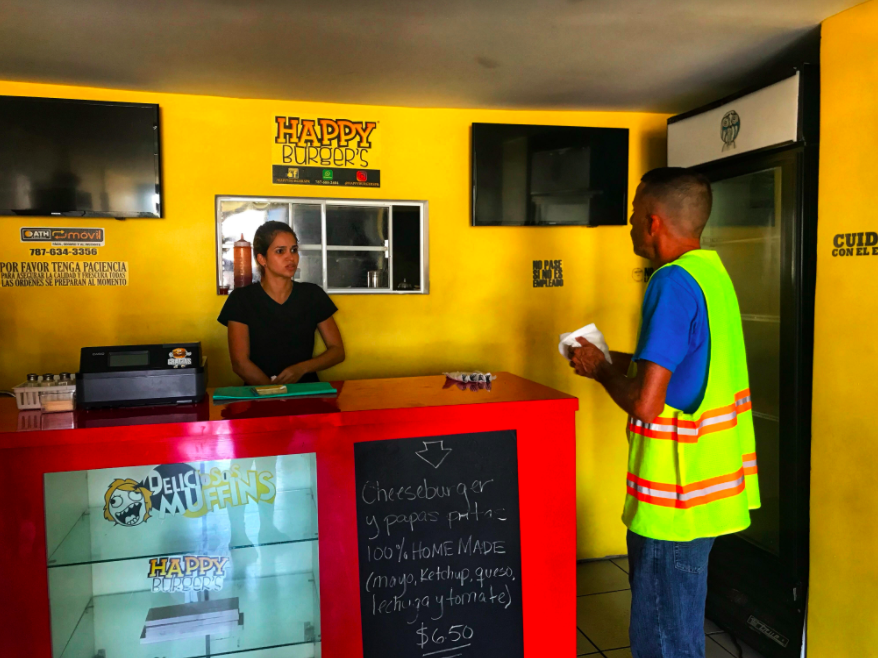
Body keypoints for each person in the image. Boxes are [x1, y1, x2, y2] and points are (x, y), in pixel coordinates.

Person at [569, 167, 760, 658]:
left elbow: (645, 404)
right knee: (681, 627)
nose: (629, 223)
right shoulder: (712, 275)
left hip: (673, 499)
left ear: (653, 222)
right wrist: (612, 358)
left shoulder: (670, 282)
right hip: (709, 490)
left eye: (633, 213)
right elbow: (683, 367)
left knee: (664, 638)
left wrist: (599, 370)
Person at [218, 221, 345, 384]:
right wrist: (272, 394)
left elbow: (337, 351)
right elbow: (240, 364)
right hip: (260, 397)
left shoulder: (312, 295)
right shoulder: (242, 299)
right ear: (262, 259)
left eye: (294, 250)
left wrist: (301, 368)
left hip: (306, 393)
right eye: (280, 251)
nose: (290, 257)